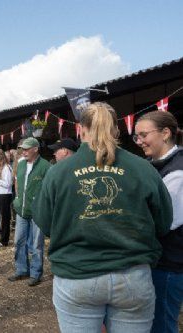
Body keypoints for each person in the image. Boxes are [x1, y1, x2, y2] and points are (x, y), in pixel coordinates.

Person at [33, 102, 173, 332]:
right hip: (132, 277)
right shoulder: (143, 168)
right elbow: (163, 222)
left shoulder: (58, 172)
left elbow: (45, 222)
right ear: (116, 130)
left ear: (82, 129)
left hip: (77, 275)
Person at [134, 110, 183, 333]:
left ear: (165, 133)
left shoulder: (177, 172)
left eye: (144, 135)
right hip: (154, 260)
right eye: (137, 136)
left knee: (161, 325)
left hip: (169, 264)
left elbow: (165, 222)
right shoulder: (152, 165)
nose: (139, 141)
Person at [9, 137, 50, 286]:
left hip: (37, 211)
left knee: (36, 243)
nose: (24, 152)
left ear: (36, 149)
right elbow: (17, 183)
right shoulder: (20, 165)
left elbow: (49, 189)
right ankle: (21, 270)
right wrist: (18, 200)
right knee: (19, 240)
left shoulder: (45, 166)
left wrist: (44, 206)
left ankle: (36, 273)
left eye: (27, 149)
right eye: (22, 149)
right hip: (21, 209)